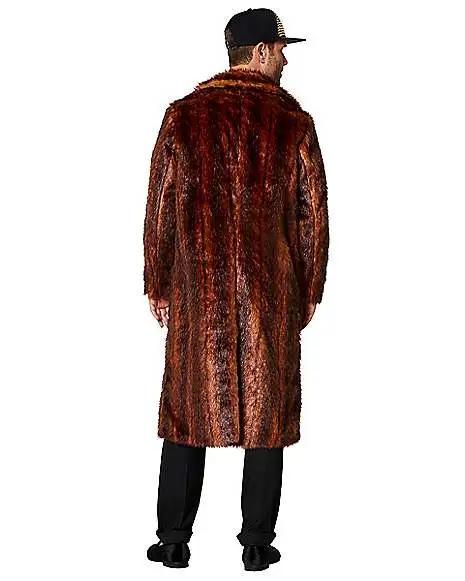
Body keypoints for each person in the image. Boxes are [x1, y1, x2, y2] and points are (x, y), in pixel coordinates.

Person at [143, 7, 329, 571]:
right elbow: (312, 219)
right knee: (267, 419)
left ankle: (173, 540)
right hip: (270, 294)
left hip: (197, 295)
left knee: (187, 408)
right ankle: (256, 544)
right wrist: (309, 288)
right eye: (282, 48)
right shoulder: (292, 123)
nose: (287, 59)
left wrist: (157, 280)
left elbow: (159, 207)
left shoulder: (183, 117)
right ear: (262, 51)